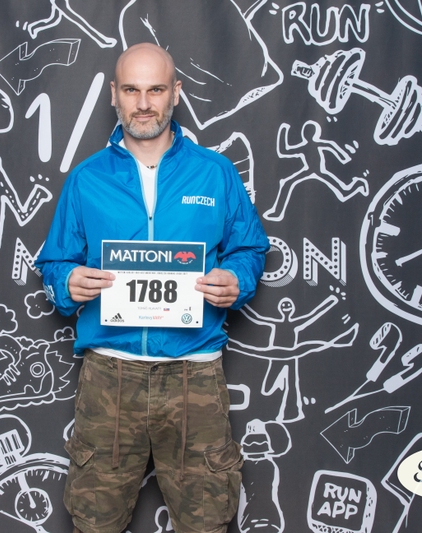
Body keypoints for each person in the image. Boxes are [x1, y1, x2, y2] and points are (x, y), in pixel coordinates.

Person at [36, 43, 269, 533]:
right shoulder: (86, 179)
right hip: (109, 377)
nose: (144, 104)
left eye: (156, 90)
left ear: (176, 93)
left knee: (206, 521)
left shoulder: (215, 172)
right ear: (114, 96)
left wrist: (238, 280)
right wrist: (67, 281)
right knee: (94, 522)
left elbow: (249, 249)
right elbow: (55, 262)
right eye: (132, 90)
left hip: (194, 375)